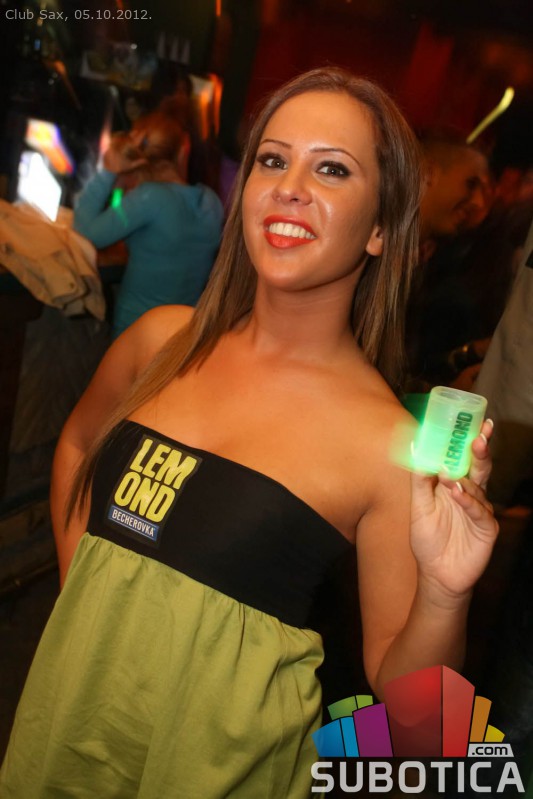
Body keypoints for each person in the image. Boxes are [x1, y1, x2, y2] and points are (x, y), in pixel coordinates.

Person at [0, 67, 498, 798]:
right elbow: (77, 445)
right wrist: (89, 589)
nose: (289, 186)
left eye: (331, 168)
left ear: (381, 229)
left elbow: (414, 713)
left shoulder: (385, 444)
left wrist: (445, 593)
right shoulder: (161, 343)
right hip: (68, 733)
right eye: (272, 159)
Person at [74, 111, 224, 338]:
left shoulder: (149, 198)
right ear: (183, 151)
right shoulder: (211, 202)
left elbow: (85, 231)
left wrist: (108, 172)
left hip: (136, 331)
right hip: (185, 333)